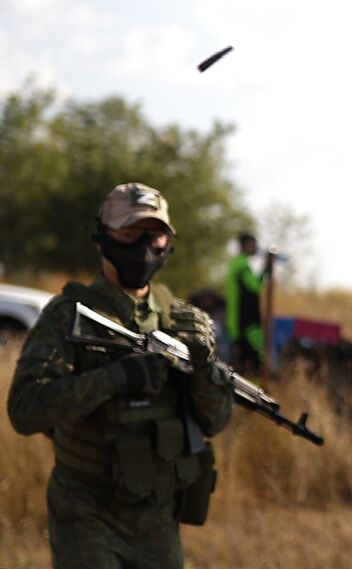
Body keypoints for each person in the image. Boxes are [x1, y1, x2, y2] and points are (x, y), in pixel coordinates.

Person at [6, 182, 233, 569]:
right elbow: (25, 409)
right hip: (86, 511)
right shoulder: (67, 314)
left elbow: (214, 420)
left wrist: (202, 371)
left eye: (155, 234)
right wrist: (116, 378)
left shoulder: (182, 319)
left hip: (157, 514)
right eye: (129, 234)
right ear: (102, 240)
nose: (144, 246)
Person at [225, 232, 264, 374]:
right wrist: (266, 269)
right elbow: (255, 287)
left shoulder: (236, 263)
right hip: (245, 322)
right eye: (253, 245)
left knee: (241, 362)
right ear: (245, 245)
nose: (256, 248)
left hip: (236, 321)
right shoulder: (241, 265)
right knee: (253, 362)